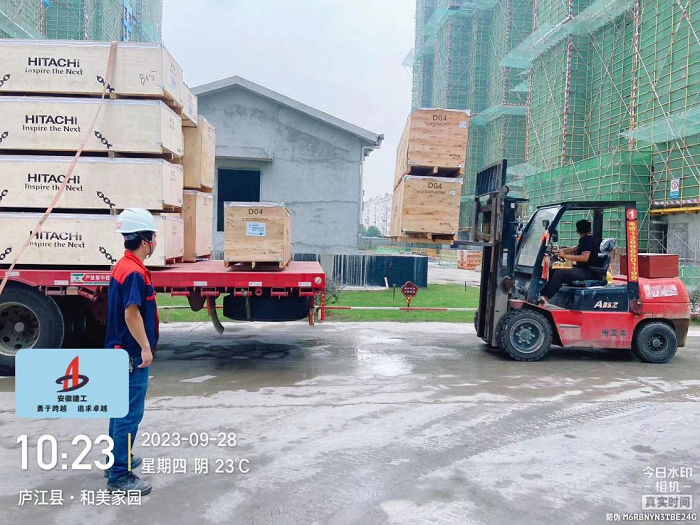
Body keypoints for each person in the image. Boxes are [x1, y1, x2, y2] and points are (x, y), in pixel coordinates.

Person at [104, 208, 159, 495]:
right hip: (130, 354)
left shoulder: (122, 266)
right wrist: (146, 349)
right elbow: (131, 314)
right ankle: (119, 475)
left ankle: (114, 459)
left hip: (117, 349)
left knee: (118, 410)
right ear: (146, 240)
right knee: (129, 414)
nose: (155, 242)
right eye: (154, 237)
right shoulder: (135, 273)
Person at [538, 219, 601, 305]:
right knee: (551, 271)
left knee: (560, 274)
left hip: (588, 272)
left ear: (577, 231)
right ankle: (539, 293)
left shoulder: (589, 240)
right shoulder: (585, 240)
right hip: (581, 270)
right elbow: (573, 249)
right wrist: (557, 252)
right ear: (590, 229)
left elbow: (584, 258)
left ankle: (544, 299)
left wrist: (565, 256)